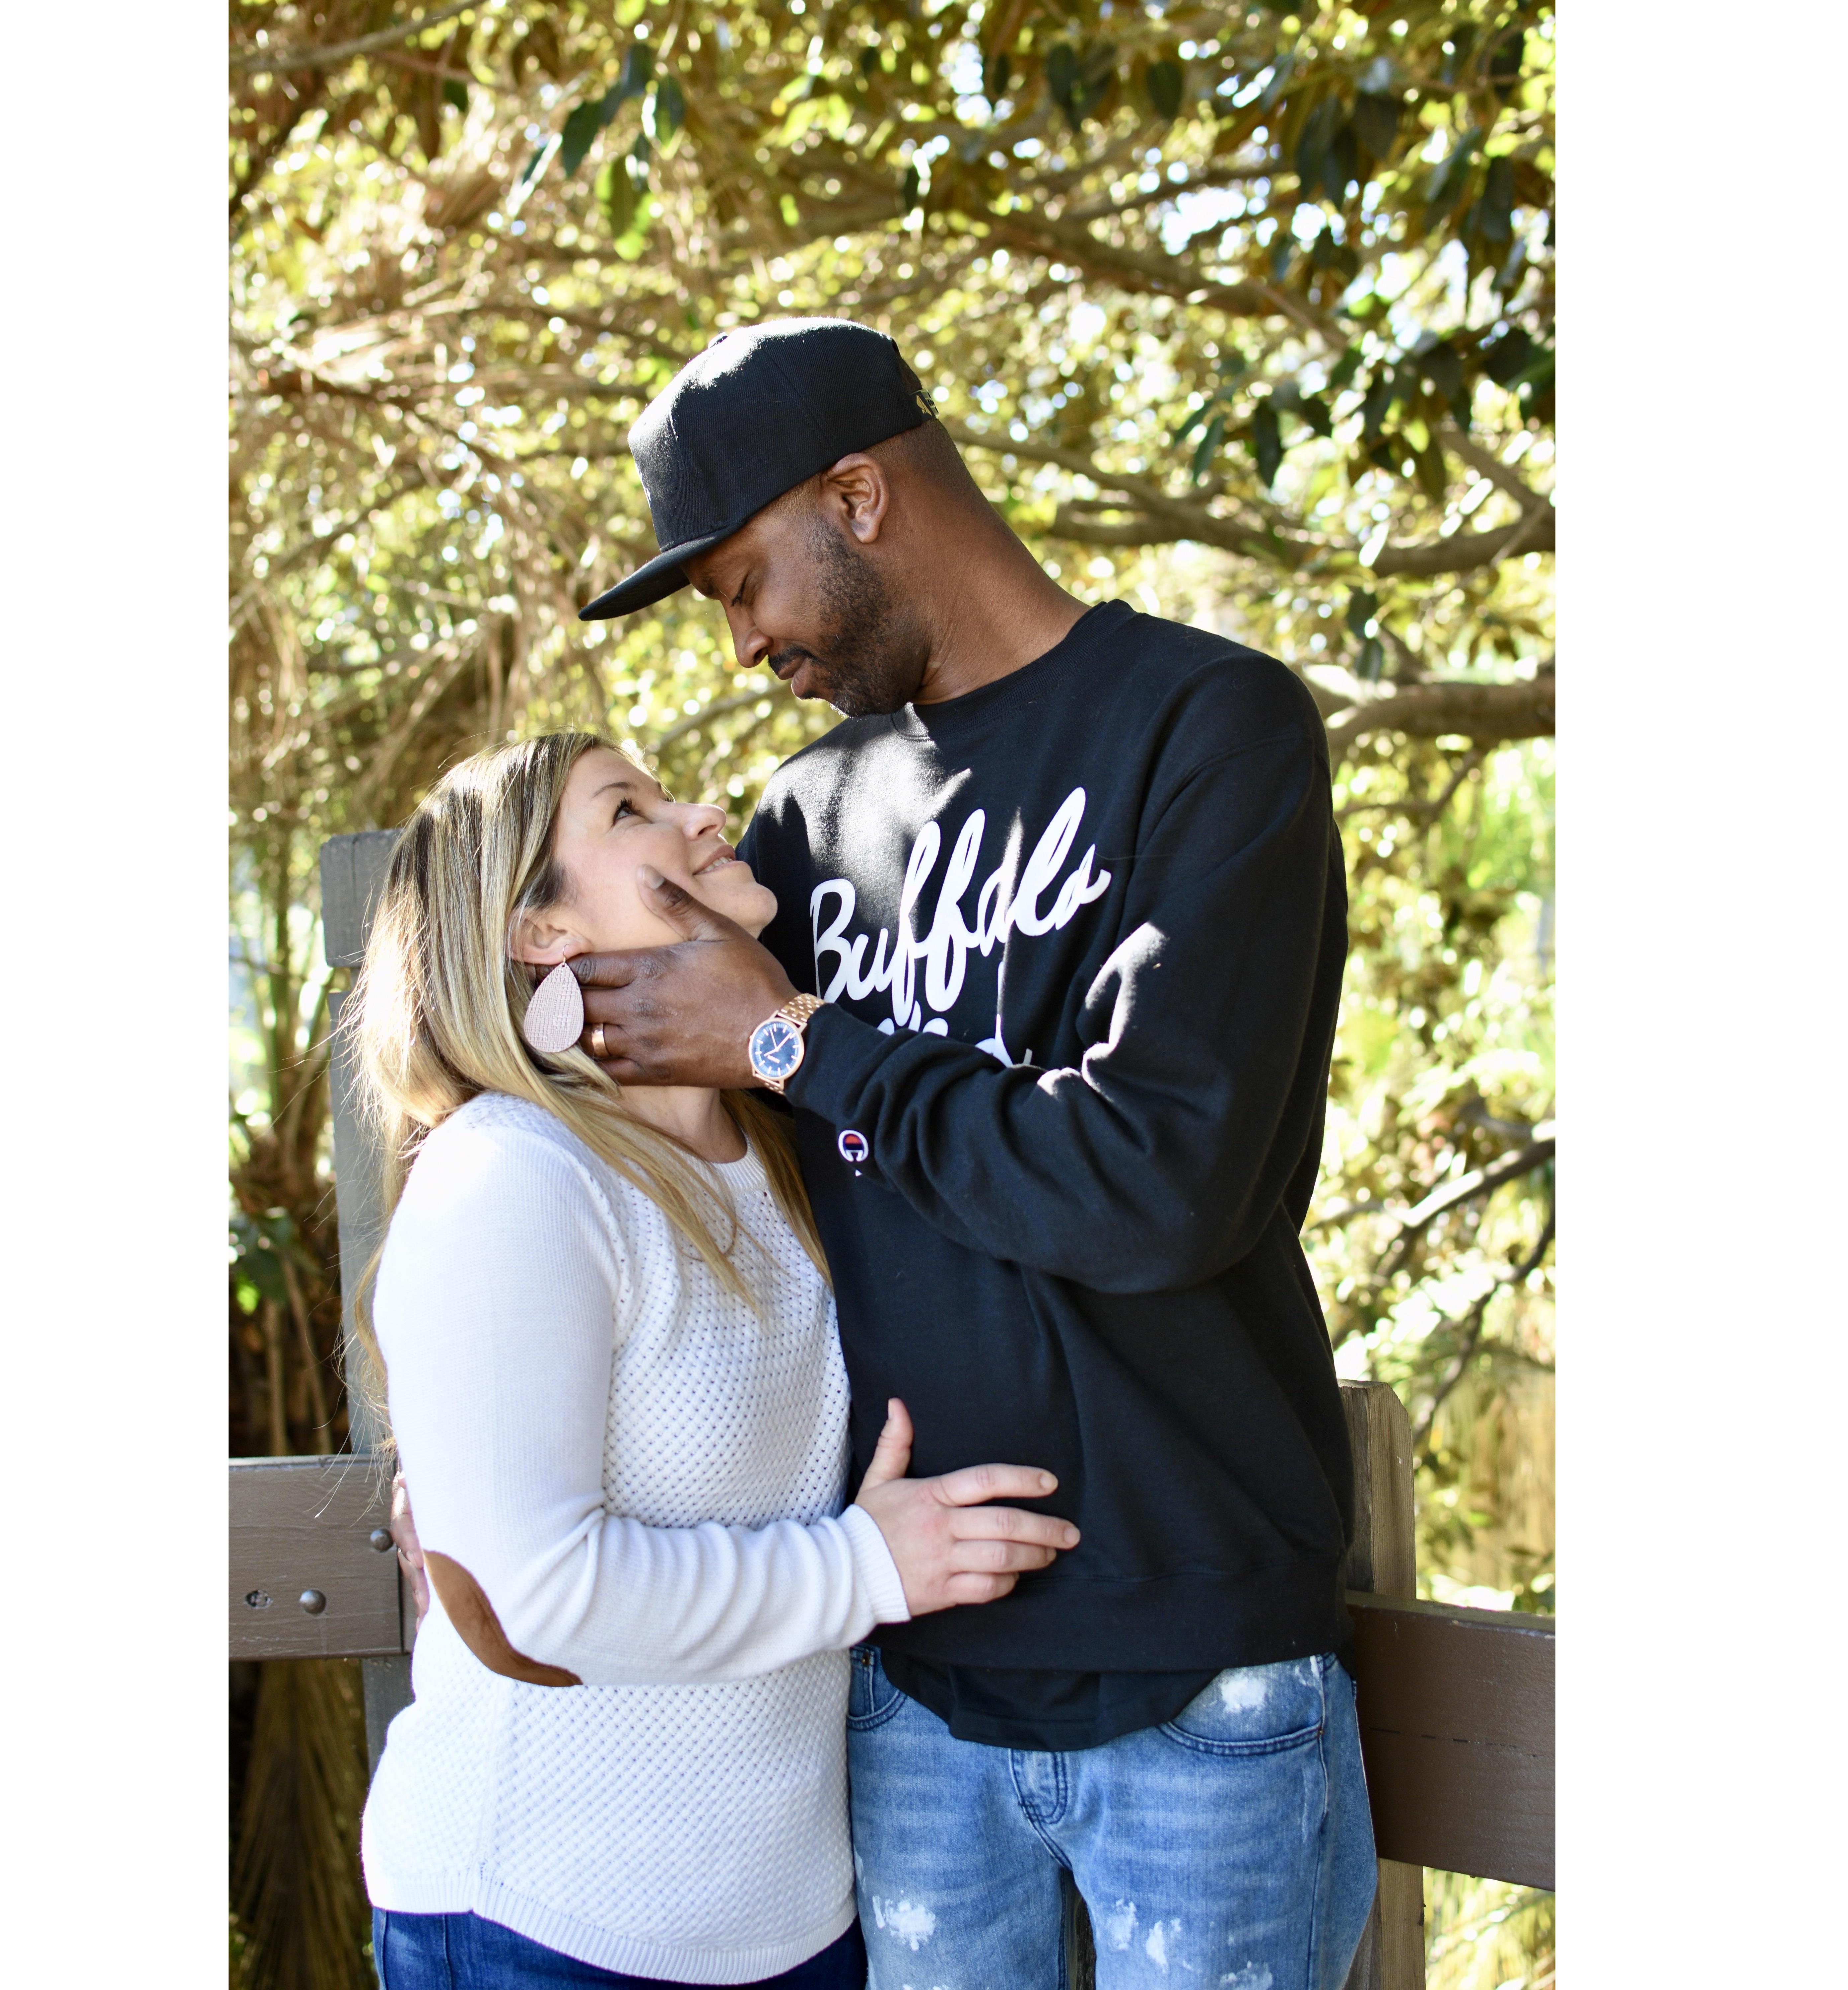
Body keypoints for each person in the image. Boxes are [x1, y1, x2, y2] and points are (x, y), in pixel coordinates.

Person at [565, 317, 1380, 1990]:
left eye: (740, 583)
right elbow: (699, 1191)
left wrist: (801, 1041)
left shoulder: (1210, 731)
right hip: (911, 1682)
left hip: (1201, 1673)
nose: (743, 643)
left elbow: (1162, 1186)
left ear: (859, 498)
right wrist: (487, 1422)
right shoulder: (801, 828)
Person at [346, 729, 1078, 1990]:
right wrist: (866, 1567)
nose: (699, 813)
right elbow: (536, 1597)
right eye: (628, 810)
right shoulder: (515, 1176)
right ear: (543, 933)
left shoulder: (783, 1157)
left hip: (797, 1922)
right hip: (547, 1925)